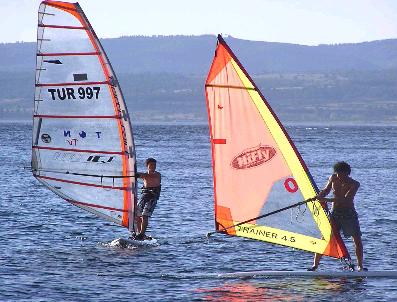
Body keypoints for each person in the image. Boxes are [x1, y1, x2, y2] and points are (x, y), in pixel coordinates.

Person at [308, 161, 366, 271]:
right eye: (338, 174)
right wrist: (319, 195)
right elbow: (326, 190)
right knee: (325, 237)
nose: (339, 177)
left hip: (349, 213)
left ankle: (360, 266)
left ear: (347, 173)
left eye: (342, 174)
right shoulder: (333, 178)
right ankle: (315, 265)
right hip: (335, 213)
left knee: (357, 239)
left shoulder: (354, 184)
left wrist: (325, 200)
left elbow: (345, 199)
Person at [133, 158, 161, 240]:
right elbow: (142, 175)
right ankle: (139, 234)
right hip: (144, 196)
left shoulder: (157, 174)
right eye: (151, 165)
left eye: (154, 165)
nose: (153, 167)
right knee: (136, 215)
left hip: (152, 198)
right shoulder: (144, 175)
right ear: (147, 166)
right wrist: (133, 174)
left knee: (145, 216)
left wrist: (137, 174)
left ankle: (142, 234)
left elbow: (149, 176)